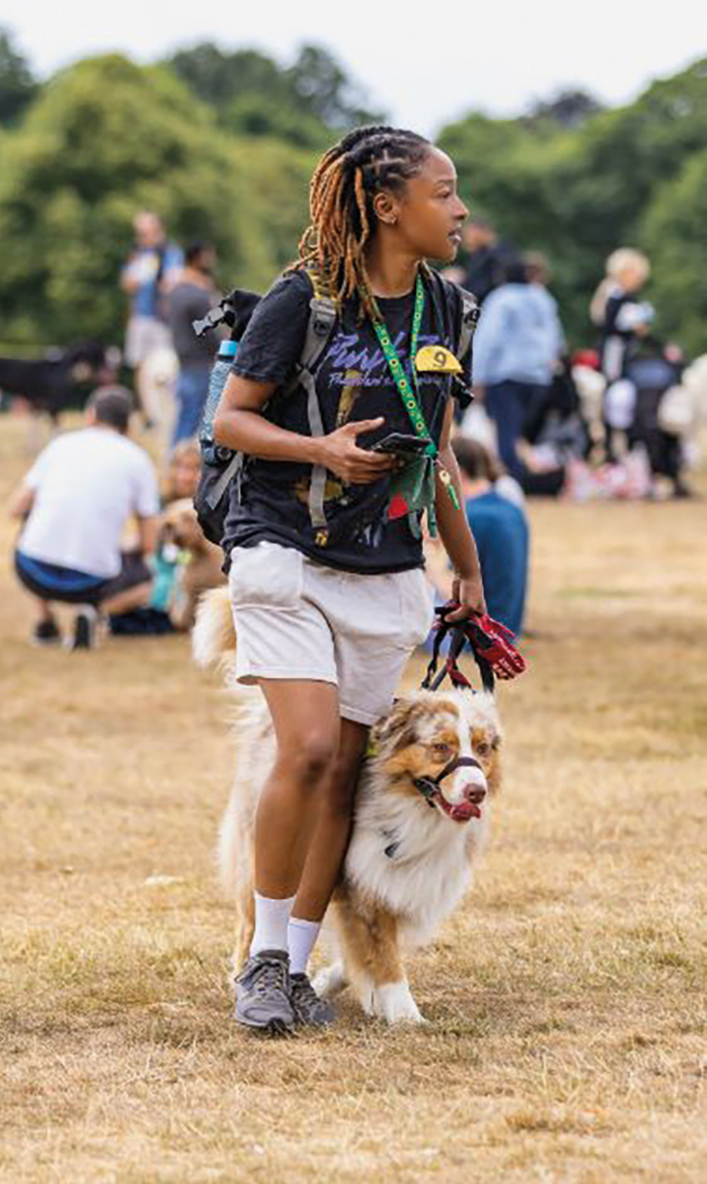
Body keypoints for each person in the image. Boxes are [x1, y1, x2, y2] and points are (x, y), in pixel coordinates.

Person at [212, 124, 486, 1032]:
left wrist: (468, 567)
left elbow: (438, 449)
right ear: (384, 204)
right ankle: (259, 963)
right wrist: (318, 447)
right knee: (311, 748)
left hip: (383, 564)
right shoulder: (306, 298)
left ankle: (294, 965)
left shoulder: (449, 309)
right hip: (281, 546)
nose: (459, 208)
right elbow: (232, 422)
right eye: (443, 192)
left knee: (342, 778)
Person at [8, 387, 159, 649]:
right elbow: (149, 543)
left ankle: (45, 621)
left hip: (33, 569)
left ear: (90, 415)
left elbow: (16, 508)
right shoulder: (138, 460)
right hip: (92, 582)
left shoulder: (61, 445)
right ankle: (92, 610)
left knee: (30, 523)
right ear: (127, 423)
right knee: (151, 575)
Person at [472, 258, 564, 480]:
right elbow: (556, 338)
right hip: (538, 376)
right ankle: (525, 476)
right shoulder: (543, 298)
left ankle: (511, 479)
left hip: (506, 374)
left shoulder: (502, 298)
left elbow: (488, 339)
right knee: (522, 431)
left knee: (506, 430)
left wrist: (476, 376)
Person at [451, 436, 529, 636]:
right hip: (508, 630)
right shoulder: (513, 510)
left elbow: (454, 591)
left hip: (474, 637)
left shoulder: (470, 518)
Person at [590, 248, 654, 462]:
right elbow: (607, 325)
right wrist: (632, 329)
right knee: (614, 398)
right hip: (614, 356)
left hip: (625, 355)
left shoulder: (628, 297)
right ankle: (610, 450)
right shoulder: (614, 294)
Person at [121, 211, 183, 425]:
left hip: (161, 319)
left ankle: (166, 409)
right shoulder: (138, 254)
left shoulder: (170, 253)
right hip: (141, 317)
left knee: (164, 367)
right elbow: (128, 284)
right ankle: (147, 413)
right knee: (140, 365)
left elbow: (172, 283)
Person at [167, 242, 221, 447]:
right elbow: (206, 328)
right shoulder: (197, 294)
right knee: (194, 419)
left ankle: (173, 458)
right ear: (198, 258)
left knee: (184, 417)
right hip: (200, 363)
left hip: (184, 361)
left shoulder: (175, 292)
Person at [460, 216, 517, 304]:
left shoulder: (501, 255)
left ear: (482, 232)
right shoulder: (480, 254)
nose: (465, 239)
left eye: (469, 234)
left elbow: (481, 288)